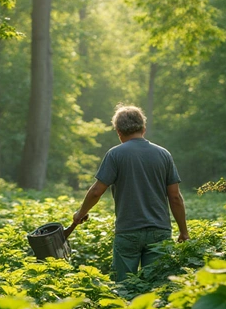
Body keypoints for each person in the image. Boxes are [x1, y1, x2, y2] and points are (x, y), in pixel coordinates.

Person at [73, 104, 189, 281]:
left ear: (118, 131)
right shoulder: (164, 155)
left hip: (128, 231)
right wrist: (183, 231)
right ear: (143, 128)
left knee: (124, 286)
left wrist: (80, 214)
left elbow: (97, 191)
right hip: (159, 231)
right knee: (156, 287)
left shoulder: (115, 155)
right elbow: (175, 197)